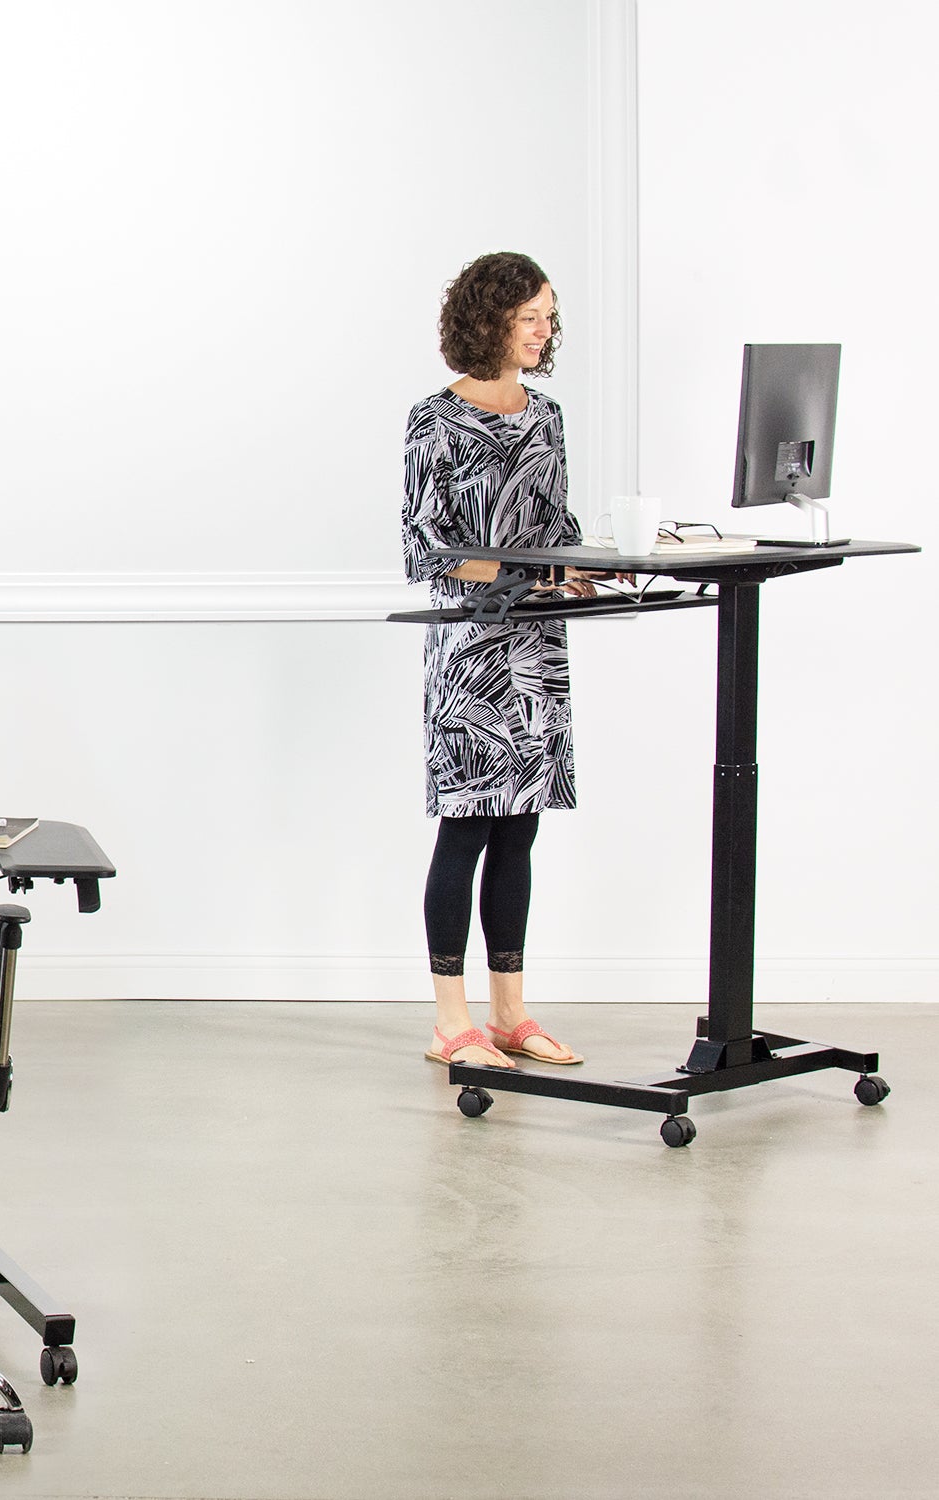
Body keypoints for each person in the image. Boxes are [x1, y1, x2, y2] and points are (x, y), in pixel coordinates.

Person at [400, 250, 593, 1069]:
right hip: (472, 650)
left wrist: (586, 561)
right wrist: (532, 569)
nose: (544, 330)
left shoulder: (544, 416)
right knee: (467, 830)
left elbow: (556, 521)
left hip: (538, 648)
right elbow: (427, 547)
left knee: (520, 832)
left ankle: (510, 1011)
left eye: (548, 315)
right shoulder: (433, 419)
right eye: (530, 317)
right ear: (490, 321)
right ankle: (452, 1023)